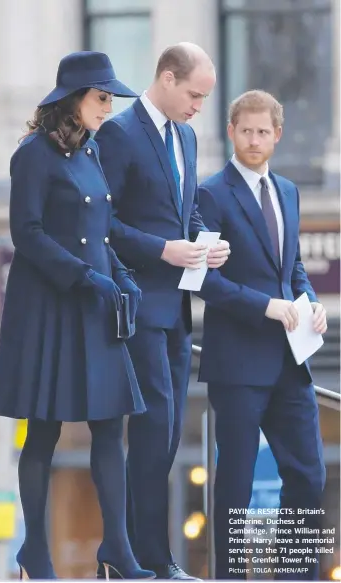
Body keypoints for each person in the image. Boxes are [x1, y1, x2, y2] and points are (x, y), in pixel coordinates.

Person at [0, 51, 156, 581]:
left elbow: (102, 232)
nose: (108, 107)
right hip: (50, 307)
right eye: (101, 97)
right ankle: (33, 552)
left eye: (110, 98)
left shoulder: (92, 152)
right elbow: (27, 234)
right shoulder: (31, 155)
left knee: (110, 428)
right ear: (74, 98)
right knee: (43, 432)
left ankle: (118, 551)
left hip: (95, 306)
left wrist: (122, 279)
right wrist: (88, 278)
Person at [95, 43, 230, 579]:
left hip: (177, 309)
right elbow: (102, 225)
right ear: (167, 79)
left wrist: (202, 239)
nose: (199, 106)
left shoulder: (188, 136)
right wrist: (163, 249)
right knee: (154, 431)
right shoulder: (118, 135)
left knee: (169, 435)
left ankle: (128, 556)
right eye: (194, 94)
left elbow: (187, 207)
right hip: (138, 306)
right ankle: (145, 559)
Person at [197, 90, 328, 580]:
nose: (254, 140)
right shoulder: (210, 194)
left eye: (263, 131)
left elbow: (291, 266)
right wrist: (266, 306)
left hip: (291, 361)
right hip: (237, 361)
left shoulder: (289, 191)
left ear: (278, 135)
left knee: (308, 473)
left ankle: (298, 576)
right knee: (236, 481)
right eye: (245, 130)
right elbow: (205, 281)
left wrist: (309, 301)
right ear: (231, 132)